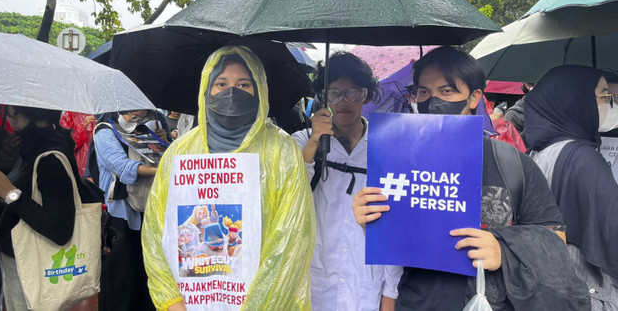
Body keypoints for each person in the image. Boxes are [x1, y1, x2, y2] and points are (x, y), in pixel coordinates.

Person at [353, 47, 590, 310]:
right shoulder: (399, 161)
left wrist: (504, 250)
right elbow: (396, 241)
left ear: (474, 97)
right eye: (423, 92)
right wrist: (372, 221)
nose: (432, 102)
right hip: (417, 301)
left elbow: (555, 239)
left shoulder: (510, 163)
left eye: (447, 91)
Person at [142, 46, 315, 310]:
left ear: (259, 91)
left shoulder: (281, 150)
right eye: (221, 83)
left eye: (243, 84)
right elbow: (156, 232)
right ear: (206, 90)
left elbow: (291, 242)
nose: (231, 92)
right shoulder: (181, 152)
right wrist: (172, 301)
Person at [292, 52, 402, 311]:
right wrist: (315, 140)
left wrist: (389, 299)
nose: (344, 101)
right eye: (334, 93)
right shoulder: (302, 140)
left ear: (366, 96)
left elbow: (393, 230)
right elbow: (292, 191)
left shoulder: (388, 146)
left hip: (366, 281)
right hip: (316, 279)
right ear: (322, 97)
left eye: (353, 92)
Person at [525, 65, 618, 309]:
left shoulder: (538, 149)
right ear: (576, 100)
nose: (610, 103)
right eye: (604, 95)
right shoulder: (584, 158)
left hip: (546, 286)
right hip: (586, 291)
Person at [0, 106, 88, 310]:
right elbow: (31, 209)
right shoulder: (34, 146)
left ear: (24, 113)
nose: (7, 116)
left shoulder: (50, 157)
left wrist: (8, 192)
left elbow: (60, 229)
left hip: (35, 270)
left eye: (9, 111)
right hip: (21, 264)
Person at [94, 109, 170, 311]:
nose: (141, 117)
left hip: (151, 211)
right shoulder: (105, 130)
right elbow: (121, 166)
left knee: (148, 273)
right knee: (121, 278)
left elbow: (166, 156)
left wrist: (165, 143)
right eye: (135, 114)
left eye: (144, 113)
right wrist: (160, 170)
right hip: (119, 214)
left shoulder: (150, 126)